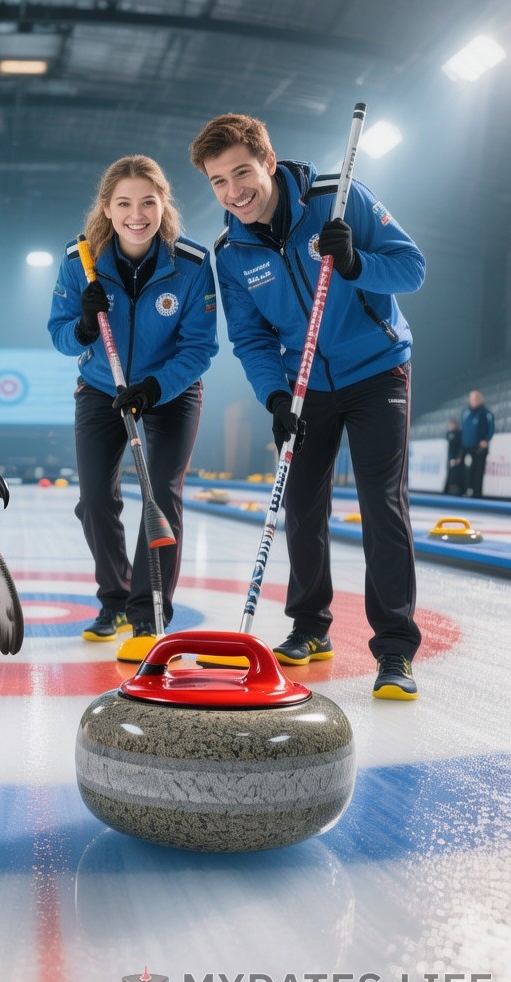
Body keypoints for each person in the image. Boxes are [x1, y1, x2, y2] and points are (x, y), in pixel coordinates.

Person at [189, 113, 426, 700]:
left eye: (242, 172)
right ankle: (309, 626)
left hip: (377, 371)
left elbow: (412, 269)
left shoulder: (338, 202)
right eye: (218, 181)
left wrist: (355, 265)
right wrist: (273, 395)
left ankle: (394, 647)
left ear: (268, 163)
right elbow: (250, 339)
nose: (233, 191)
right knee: (300, 502)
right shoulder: (232, 251)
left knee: (382, 505)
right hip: (302, 385)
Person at [48, 155, 218, 661]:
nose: (136, 214)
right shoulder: (80, 259)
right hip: (102, 388)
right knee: (96, 500)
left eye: (148, 202)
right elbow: (59, 334)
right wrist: (82, 325)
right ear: (107, 207)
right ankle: (116, 599)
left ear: (164, 204)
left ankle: (147, 612)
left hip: (169, 390)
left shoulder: (189, 263)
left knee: (160, 496)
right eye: (124, 203)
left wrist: (153, 388)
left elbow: (200, 347)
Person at [460, 390, 495, 497]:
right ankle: (464, 490)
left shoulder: (485, 412)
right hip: (466, 446)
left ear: (479, 400)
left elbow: (491, 427)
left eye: (475, 399)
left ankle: (476, 493)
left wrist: (486, 439)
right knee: (464, 468)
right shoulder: (466, 412)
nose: (472, 401)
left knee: (478, 471)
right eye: (471, 399)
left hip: (479, 447)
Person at [443, 418, 464, 496]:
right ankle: (447, 490)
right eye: (449, 425)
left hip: (456, 458)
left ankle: (458, 490)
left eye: (452, 425)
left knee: (456, 475)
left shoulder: (458, 433)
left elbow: (461, 447)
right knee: (449, 473)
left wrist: (458, 458)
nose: (450, 426)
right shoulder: (449, 433)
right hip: (450, 457)